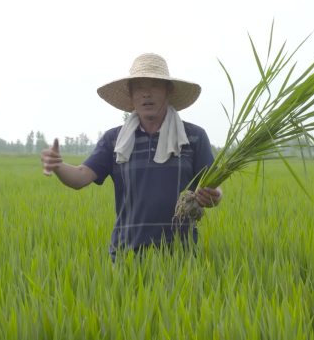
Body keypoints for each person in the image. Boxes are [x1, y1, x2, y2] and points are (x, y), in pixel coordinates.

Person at [41, 53, 222, 259]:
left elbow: (214, 189)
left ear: (168, 91)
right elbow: (80, 177)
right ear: (131, 94)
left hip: (182, 255)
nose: (146, 94)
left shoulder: (193, 137)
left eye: (155, 85)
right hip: (126, 255)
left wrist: (214, 196)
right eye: (139, 87)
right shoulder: (115, 140)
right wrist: (58, 166)